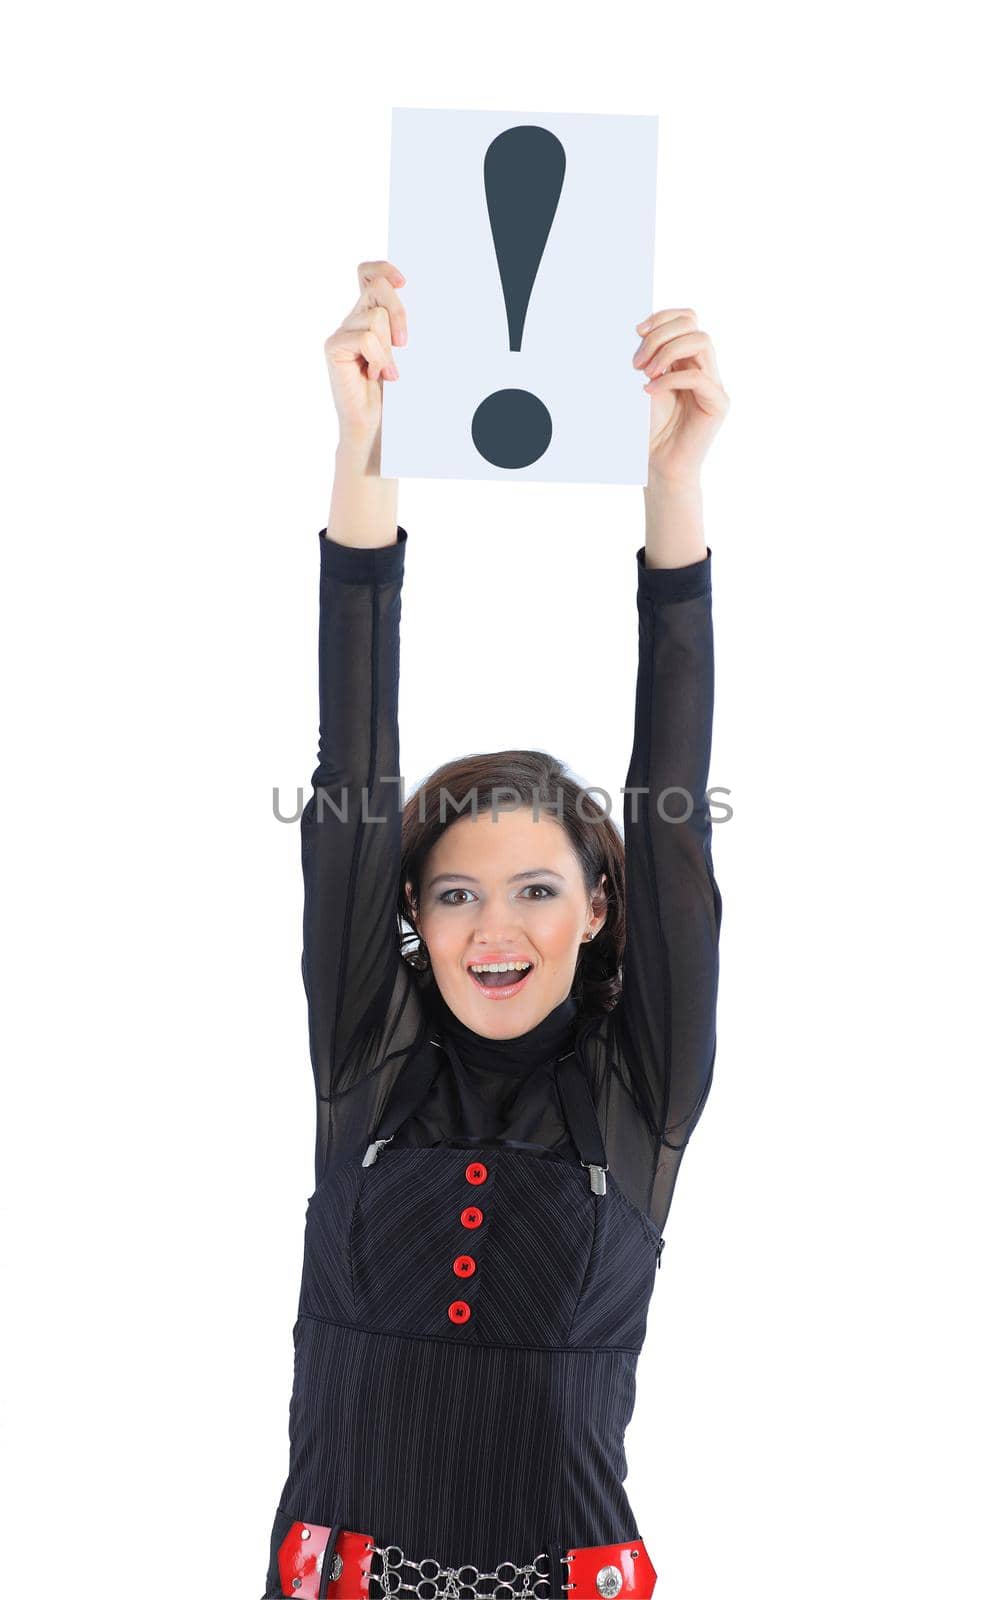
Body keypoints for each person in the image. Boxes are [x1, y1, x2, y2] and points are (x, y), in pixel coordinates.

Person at [260, 258, 728, 1599]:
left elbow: (672, 811)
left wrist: (673, 491)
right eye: (454, 893)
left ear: (599, 909)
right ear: (408, 915)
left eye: (537, 890)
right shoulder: (368, 1057)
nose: (493, 929)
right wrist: (364, 451)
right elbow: (353, 761)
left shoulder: (641, 1086)